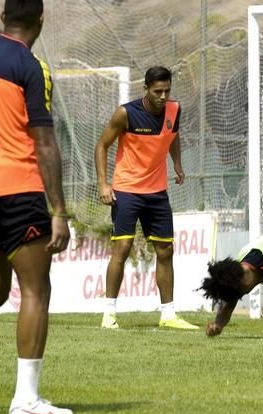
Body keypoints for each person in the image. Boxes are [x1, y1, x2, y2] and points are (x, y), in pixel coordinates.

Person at [0, 0, 72, 414]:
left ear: (3, 17)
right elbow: (43, 143)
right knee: (35, 290)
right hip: (18, 192)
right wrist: (58, 209)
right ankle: (26, 399)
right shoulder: (31, 67)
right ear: (41, 20)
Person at [94, 66, 197, 330]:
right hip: (127, 189)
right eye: (157, 91)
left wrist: (177, 164)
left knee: (166, 250)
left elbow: (172, 136)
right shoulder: (126, 113)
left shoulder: (174, 110)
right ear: (146, 89)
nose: (163, 96)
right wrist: (104, 184)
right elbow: (101, 145)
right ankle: (109, 314)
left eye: (167, 90)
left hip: (157, 192)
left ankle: (168, 315)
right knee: (123, 247)